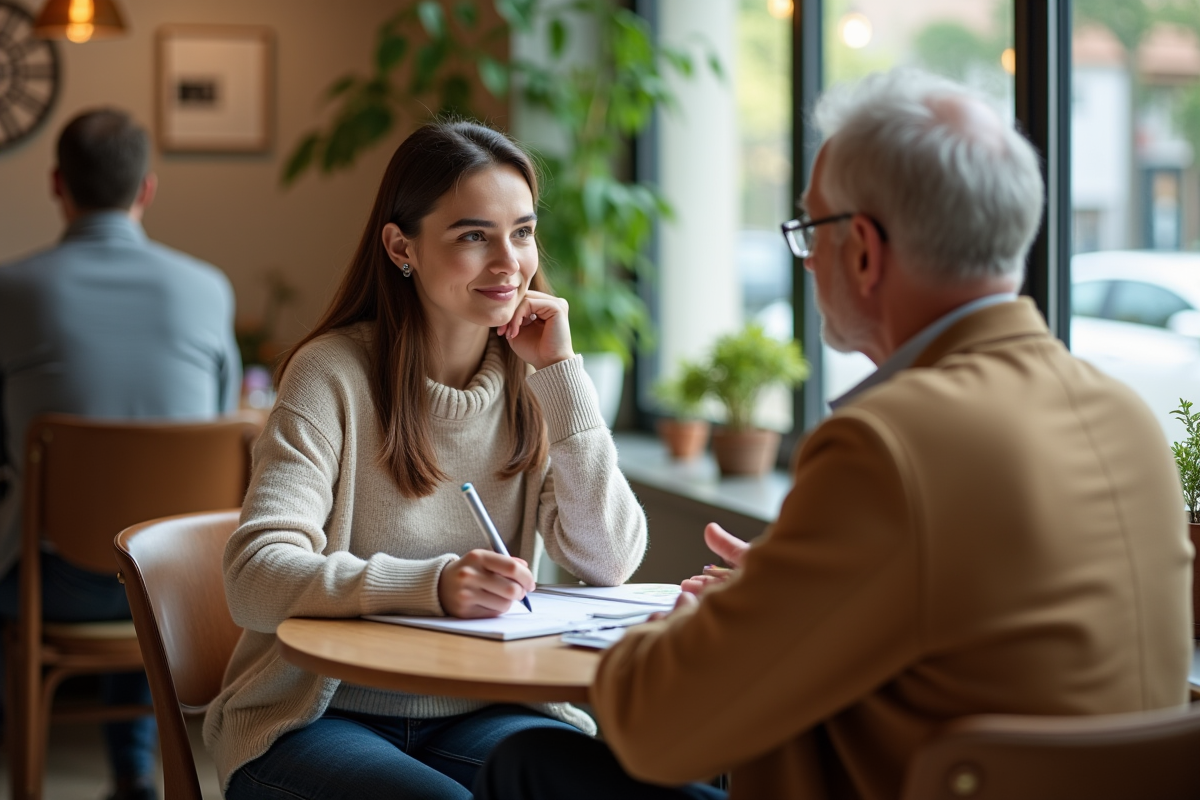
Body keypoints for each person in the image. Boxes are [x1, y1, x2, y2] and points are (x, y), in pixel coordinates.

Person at [473, 68, 1194, 800]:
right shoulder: (1125, 416)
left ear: (863, 252)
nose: (807, 258)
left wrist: (713, 619)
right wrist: (790, 587)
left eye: (810, 230)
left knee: (530, 763)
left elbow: (655, 726)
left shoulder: (888, 445)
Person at [202, 119, 648, 800]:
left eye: (522, 232)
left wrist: (560, 373)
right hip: (318, 715)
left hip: (485, 708)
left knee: (603, 786)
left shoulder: (536, 380)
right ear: (400, 246)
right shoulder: (330, 374)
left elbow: (609, 558)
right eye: (475, 236)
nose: (509, 263)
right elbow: (253, 577)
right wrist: (433, 585)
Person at [0, 108, 241, 800]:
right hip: (181, 587)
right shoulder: (207, 287)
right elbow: (221, 419)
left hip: (57, 585)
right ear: (148, 189)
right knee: (138, 541)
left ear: (57, 184)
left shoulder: (11, 290)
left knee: (84, 543)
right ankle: (134, 771)